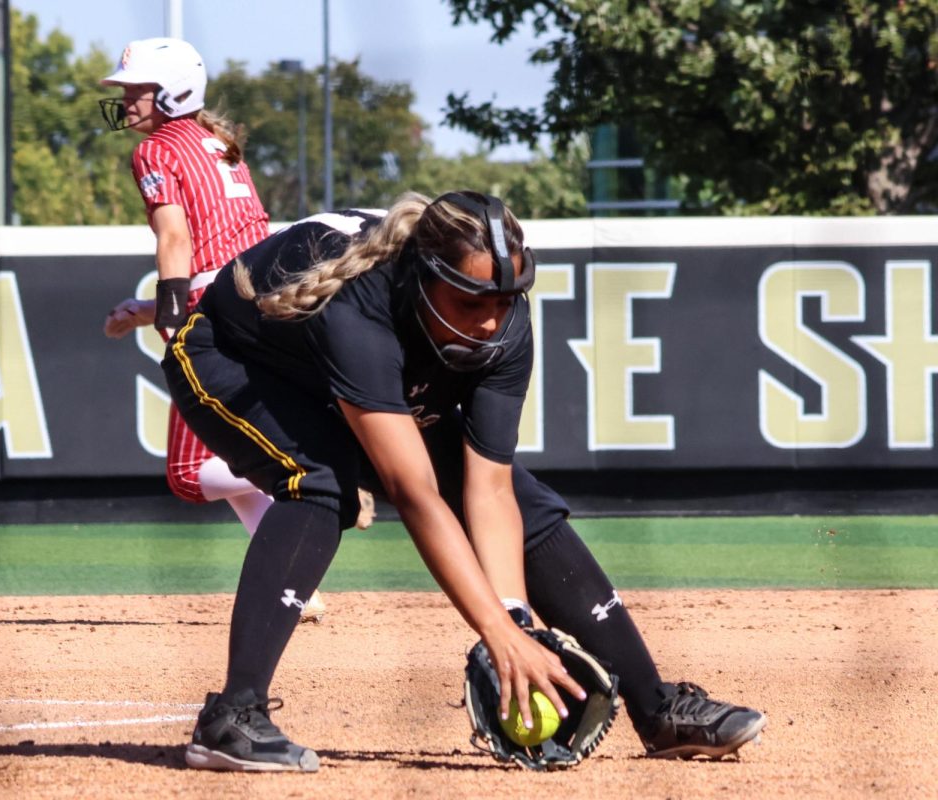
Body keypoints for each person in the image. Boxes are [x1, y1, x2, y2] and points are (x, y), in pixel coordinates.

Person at [161, 191, 767, 772]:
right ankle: (231, 717)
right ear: (423, 277)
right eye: (471, 302)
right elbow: (416, 494)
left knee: (528, 503)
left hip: (354, 374)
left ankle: (657, 709)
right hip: (233, 358)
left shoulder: (505, 324)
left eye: (503, 301)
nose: (489, 321)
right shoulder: (359, 305)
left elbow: (490, 491)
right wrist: (494, 633)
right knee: (319, 479)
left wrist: (516, 619)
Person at [97, 37, 347, 620]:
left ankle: (316, 476)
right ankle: (298, 582)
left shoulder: (156, 150)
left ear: (171, 91)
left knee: (188, 475)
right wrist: (148, 305)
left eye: (137, 89)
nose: (128, 99)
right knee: (238, 443)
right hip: (262, 293)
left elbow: (176, 241)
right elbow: (239, 239)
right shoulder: (217, 142)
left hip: (217, 310)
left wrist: (171, 314)